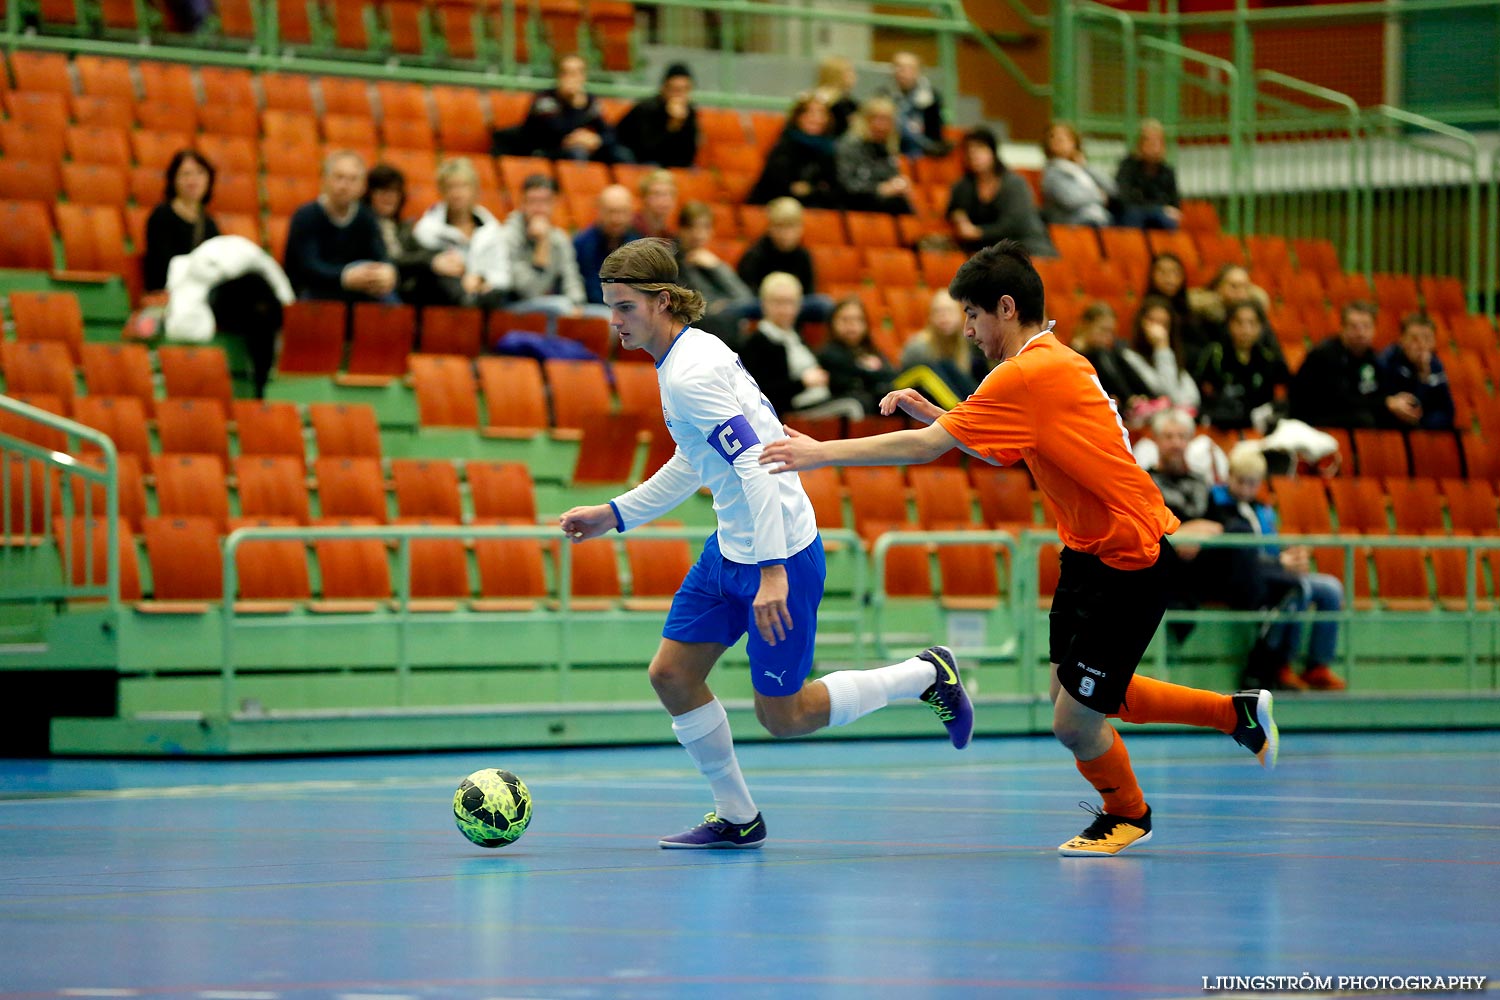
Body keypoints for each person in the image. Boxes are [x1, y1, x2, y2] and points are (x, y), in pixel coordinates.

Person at [760, 239, 1279, 857]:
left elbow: (929, 450)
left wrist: (820, 453)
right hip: (1089, 553)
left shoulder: (1030, 372)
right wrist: (942, 414)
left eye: (974, 317)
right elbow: (994, 444)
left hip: (1130, 557)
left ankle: (1129, 813)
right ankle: (1236, 715)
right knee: (1079, 691)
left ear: (1005, 308)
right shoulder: (1050, 362)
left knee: (1074, 721)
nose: (970, 331)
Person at [558, 238, 975, 849]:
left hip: (777, 554)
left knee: (784, 715)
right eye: (609, 307)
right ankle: (737, 817)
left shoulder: (692, 372)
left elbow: (755, 466)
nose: (614, 321)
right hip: (731, 547)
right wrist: (615, 515)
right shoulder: (685, 356)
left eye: (623, 307)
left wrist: (773, 573)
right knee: (672, 675)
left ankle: (922, 674)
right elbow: (697, 460)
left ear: (663, 301)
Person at [1207, 444, 1347, 691]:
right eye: (1242, 481)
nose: (1248, 489)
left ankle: (1318, 666)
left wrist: (1290, 556)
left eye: (1254, 483)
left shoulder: (1262, 508)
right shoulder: (1216, 507)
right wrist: (1279, 564)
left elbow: (1270, 546)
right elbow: (1238, 555)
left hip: (1274, 569)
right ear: (1230, 476)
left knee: (1331, 588)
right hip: (1244, 577)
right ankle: (1283, 665)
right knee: (1298, 587)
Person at [738, 272, 863, 420]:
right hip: (790, 413)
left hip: (819, 400)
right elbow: (762, 392)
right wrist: (802, 383)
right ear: (764, 304)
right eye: (779, 302)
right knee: (853, 407)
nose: (786, 310)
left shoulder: (795, 336)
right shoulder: (757, 342)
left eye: (791, 302)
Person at [283, 151, 396, 303]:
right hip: (313, 291)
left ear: (362, 186)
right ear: (325, 180)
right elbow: (307, 267)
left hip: (356, 292)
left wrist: (387, 272)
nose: (344, 186)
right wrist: (345, 276)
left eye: (353, 179)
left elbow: (380, 255)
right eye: (339, 177)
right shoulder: (306, 216)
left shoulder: (367, 217)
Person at [489, 173, 597, 322]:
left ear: (553, 205)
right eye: (533, 201)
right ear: (522, 204)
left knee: (607, 318)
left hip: (550, 305)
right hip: (512, 308)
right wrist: (542, 243)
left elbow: (571, 278)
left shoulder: (559, 238)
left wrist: (577, 304)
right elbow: (529, 291)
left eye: (545, 202)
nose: (539, 208)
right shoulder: (508, 236)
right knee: (561, 307)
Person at [364, 163, 465, 306]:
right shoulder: (363, 224)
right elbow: (388, 259)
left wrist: (442, 257)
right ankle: (465, 300)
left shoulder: (401, 228)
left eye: (394, 192)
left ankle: (467, 301)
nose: (389, 197)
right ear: (370, 194)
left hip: (408, 286)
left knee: (443, 268)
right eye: (383, 191)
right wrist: (430, 261)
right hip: (380, 286)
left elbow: (420, 251)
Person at [946, 127, 1055, 258]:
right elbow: (953, 209)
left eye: (980, 148)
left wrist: (978, 233)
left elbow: (1014, 224)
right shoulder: (963, 186)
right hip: (992, 253)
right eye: (968, 150)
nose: (973, 154)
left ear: (993, 152)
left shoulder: (1014, 183)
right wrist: (958, 216)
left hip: (1027, 248)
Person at [410, 157, 502, 306]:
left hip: (486, 298)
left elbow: (503, 273)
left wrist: (481, 279)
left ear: (475, 189)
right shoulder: (427, 229)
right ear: (442, 191)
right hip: (440, 301)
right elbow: (418, 266)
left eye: (463, 186)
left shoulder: (492, 228)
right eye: (451, 187)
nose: (457, 193)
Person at [505, 54, 630, 163]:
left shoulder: (589, 100)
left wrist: (596, 140)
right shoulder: (545, 99)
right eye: (567, 73)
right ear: (559, 76)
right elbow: (557, 131)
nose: (572, 78)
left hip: (576, 149)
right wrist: (576, 106)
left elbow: (609, 132)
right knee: (577, 153)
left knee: (620, 154)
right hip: (543, 152)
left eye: (577, 73)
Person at [1068, 301, 1167, 428]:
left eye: (1111, 332)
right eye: (1103, 330)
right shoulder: (1072, 354)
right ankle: (1132, 402)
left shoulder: (1111, 353)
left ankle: (1145, 400)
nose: (1108, 337)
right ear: (1086, 325)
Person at [735, 197, 834, 324]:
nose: (786, 234)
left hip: (794, 307)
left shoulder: (804, 255)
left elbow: (809, 291)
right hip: (763, 307)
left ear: (800, 228)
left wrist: (789, 303)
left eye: (791, 227)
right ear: (770, 228)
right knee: (739, 307)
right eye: (780, 227)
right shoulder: (755, 254)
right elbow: (746, 291)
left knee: (824, 304)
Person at [1195, 301, 1292, 430]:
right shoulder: (1215, 354)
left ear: (1261, 327)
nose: (1246, 330)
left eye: (1252, 323)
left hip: (1258, 424)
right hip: (1219, 424)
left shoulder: (1268, 358)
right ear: (1230, 325)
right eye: (1239, 323)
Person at [1289, 301, 1386, 428]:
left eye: (1366, 326)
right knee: (1364, 420)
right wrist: (1383, 403)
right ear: (1342, 328)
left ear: (1374, 330)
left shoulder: (1373, 358)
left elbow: (1375, 391)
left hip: (1350, 412)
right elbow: (1337, 400)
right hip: (1314, 418)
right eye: (1354, 326)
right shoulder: (1324, 355)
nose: (1360, 332)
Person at [674, 200, 755, 344]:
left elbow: (746, 299)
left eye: (704, 228)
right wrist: (723, 305)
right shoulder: (673, 262)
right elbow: (692, 306)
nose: (698, 235)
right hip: (695, 330)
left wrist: (717, 266)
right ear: (680, 230)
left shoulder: (709, 262)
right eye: (692, 228)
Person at [746, 93, 842, 209]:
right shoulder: (784, 145)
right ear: (798, 117)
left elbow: (832, 187)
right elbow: (776, 184)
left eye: (821, 114)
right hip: (775, 206)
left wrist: (811, 189)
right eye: (809, 113)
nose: (816, 118)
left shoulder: (829, 149)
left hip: (814, 208)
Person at [144, 149, 221, 294]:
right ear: (173, 179)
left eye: (200, 173)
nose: (193, 179)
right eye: (186, 174)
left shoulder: (209, 223)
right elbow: (160, 268)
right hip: (167, 294)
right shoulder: (161, 216)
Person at [898, 289, 988, 409]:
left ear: (961, 315)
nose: (944, 316)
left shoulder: (971, 345)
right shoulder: (918, 348)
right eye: (938, 312)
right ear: (930, 317)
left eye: (949, 311)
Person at [1187, 263, 1280, 366]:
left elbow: (1276, 358)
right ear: (1218, 288)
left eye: (1245, 287)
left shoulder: (1256, 318)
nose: (1241, 293)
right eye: (1234, 286)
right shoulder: (1201, 319)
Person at [817, 297, 896, 414]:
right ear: (832, 323)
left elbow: (891, 375)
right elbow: (851, 372)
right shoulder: (829, 352)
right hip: (841, 403)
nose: (852, 325)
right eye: (845, 319)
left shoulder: (870, 350)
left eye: (858, 320)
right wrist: (868, 369)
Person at [834, 96, 913, 215]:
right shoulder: (849, 145)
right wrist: (879, 189)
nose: (883, 125)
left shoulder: (887, 148)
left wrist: (898, 184)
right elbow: (846, 185)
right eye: (878, 119)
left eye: (888, 120)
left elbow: (891, 176)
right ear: (865, 120)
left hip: (883, 204)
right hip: (855, 204)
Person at [614, 62, 699, 168]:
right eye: (675, 90)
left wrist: (681, 124)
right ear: (664, 89)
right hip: (636, 159)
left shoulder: (689, 112)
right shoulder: (647, 108)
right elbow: (647, 150)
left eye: (685, 90)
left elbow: (689, 155)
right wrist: (672, 125)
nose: (680, 95)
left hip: (669, 163)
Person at [1378, 313, 1454, 430]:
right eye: (1414, 339)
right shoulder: (1388, 360)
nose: (1421, 345)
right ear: (1402, 339)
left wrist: (1424, 376)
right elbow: (1379, 400)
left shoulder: (1435, 365)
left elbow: (1447, 411)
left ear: (1434, 342)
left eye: (1427, 339)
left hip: (1423, 428)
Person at [574, 185, 642, 305]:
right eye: (611, 212)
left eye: (622, 212)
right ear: (599, 212)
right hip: (594, 308)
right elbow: (591, 290)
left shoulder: (639, 244)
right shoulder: (582, 244)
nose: (617, 219)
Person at [1041, 121, 1115, 227]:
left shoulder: (1081, 169)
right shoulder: (1051, 173)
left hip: (1100, 218)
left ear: (1074, 142)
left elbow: (1112, 188)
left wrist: (1085, 166)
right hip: (1071, 224)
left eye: (1064, 137)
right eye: (1053, 137)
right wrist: (1098, 195)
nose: (1058, 140)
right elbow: (1070, 199)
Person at [1114, 119, 1181, 231]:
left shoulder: (1167, 172)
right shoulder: (1128, 166)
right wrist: (1157, 209)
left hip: (1158, 219)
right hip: (1130, 218)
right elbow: (1125, 198)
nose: (1154, 147)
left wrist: (1160, 210)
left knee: (1168, 221)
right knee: (1135, 215)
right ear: (1140, 144)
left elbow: (1174, 204)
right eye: (1149, 142)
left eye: (1158, 142)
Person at [881, 51, 945, 156]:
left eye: (907, 67)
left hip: (923, 154)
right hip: (889, 151)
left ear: (918, 71)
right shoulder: (883, 95)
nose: (901, 71)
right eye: (897, 67)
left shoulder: (931, 97)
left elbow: (936, 132)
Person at [1143, 252, 1202, 363]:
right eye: (1162, 272)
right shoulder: (1148, 309)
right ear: (1152, 275)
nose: (1169, 278)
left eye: (1175, 272)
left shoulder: (1188, 307)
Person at [813, 55, 859, 137]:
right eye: (849, 71)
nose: (854, 76)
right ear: (836, 74)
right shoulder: (823, 101)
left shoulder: (848, 101)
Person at [634, 169, 678, 239]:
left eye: (669, 194)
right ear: (644, 197)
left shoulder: (668, 235)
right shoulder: (631, 227)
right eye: (657, 193)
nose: (664, 199)